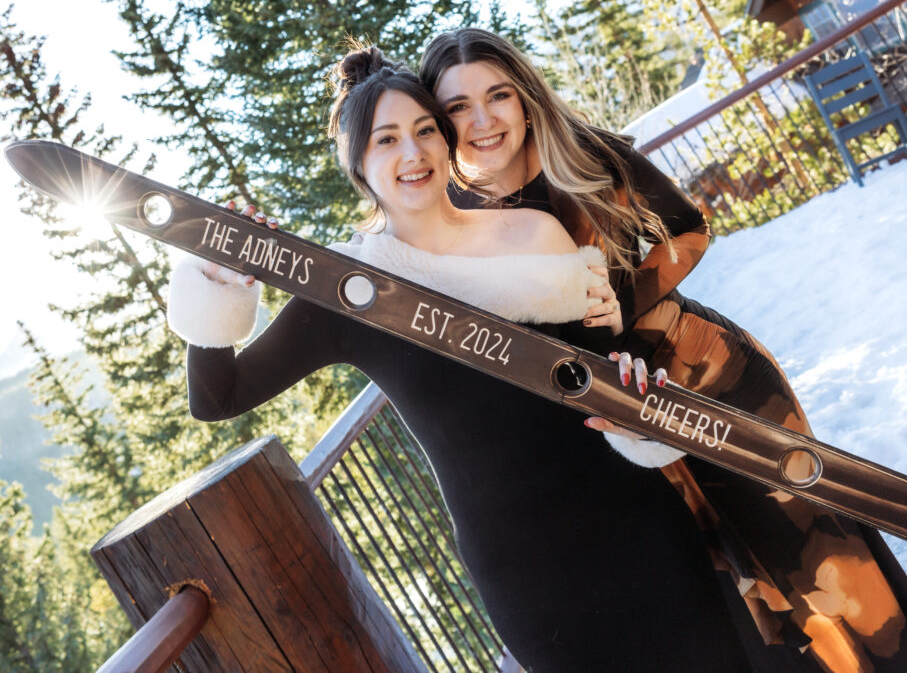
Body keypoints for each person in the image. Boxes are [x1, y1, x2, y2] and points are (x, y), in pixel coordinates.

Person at [169, 45, 773, 671]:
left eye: (425, 129)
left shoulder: (531, 232)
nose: (413, 152)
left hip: (639, 524)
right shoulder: (348, 289)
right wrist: (217, 281)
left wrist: (636, 393)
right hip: (530, 579)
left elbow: (605, 364)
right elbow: (219, 398)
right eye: (386, 140)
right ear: (358, 164)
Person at [419, 28, 907, 672]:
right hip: (628, 415)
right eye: (458, 107)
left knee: (820, 561)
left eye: (498, 95)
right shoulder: (453, 213)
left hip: (709, 373)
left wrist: (625, 299)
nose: (482, 120)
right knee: (741, 592)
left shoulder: (577, 153)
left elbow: (688, 229)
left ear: (525, 96)